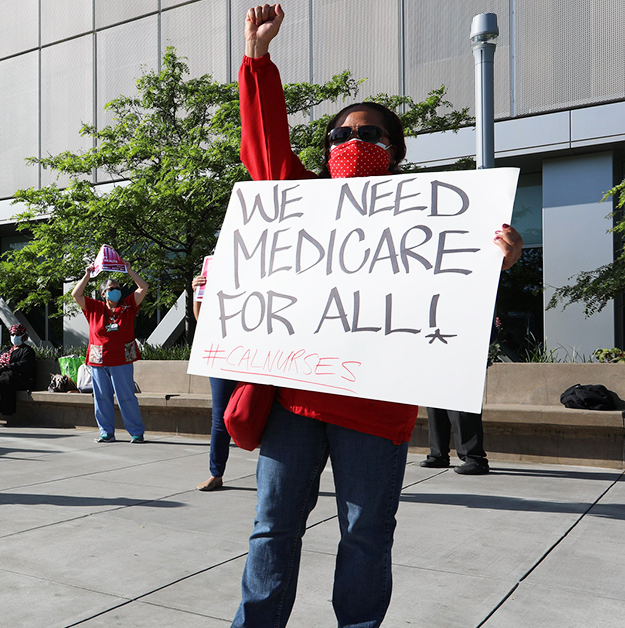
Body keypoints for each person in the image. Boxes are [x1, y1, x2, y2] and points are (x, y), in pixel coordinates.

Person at [230, 6, 523, 627]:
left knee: (365, 539)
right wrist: (257, 57)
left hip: (376, 408)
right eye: (339, 135)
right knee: (271, 532)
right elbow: (264, 148)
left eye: (369, 135)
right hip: (295, 402)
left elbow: (455, 286)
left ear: (395, 151)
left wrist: (498, 255)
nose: (352, 144)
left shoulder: (433, 219)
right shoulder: (300, 200)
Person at [71, 257, 150, 443]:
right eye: (111, 289)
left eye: (117, 288)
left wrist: (129, 271)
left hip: (122, 358)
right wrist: (87, 275)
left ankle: (136, 432)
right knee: (101, 397)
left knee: (126, 396)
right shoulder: (94, 307)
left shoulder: (128, 306)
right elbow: (76, 294)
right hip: (99, 359)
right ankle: (106, 432)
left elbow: (143, 288)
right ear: (103, 294)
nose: (116, 291)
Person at [191, 274, 238, 491]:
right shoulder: (214, 294)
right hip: (222, 359)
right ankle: (216, 473)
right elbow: (200, 319)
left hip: (256, 358)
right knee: (220, 417)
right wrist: (197, 294)